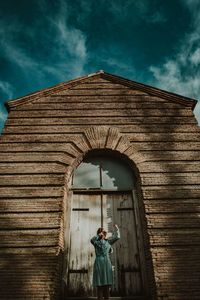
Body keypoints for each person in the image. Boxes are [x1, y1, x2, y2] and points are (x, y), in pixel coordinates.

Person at [90, 224, 120, 300]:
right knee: (99, 285)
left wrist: (116, 229)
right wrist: (98, 235)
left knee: (107, 285)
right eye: (101, 233)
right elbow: (91, 240)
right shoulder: (96, 242)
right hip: (99, 263)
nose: (103, 234)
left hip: (107, 263)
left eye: (104, 233)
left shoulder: (108, 241)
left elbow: (117, 237)